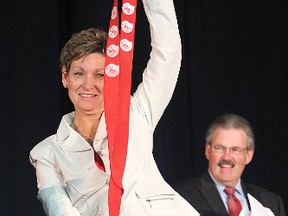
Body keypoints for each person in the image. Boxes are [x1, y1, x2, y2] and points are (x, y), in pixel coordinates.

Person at [29, 0, 200, 215]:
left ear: (112, 76)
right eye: (79, 73)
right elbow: (59, 209)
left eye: (100, 75)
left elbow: (168, 53)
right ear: (65, 77)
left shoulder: (137, 112)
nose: (88, 85)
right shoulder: (46, 153)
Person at [173, 113, 286, 216]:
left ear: (248, 155)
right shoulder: (180, 196)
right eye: (219, 148)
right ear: (208, 151)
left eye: (235, 149)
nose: (226, 157)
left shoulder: (271, 202)